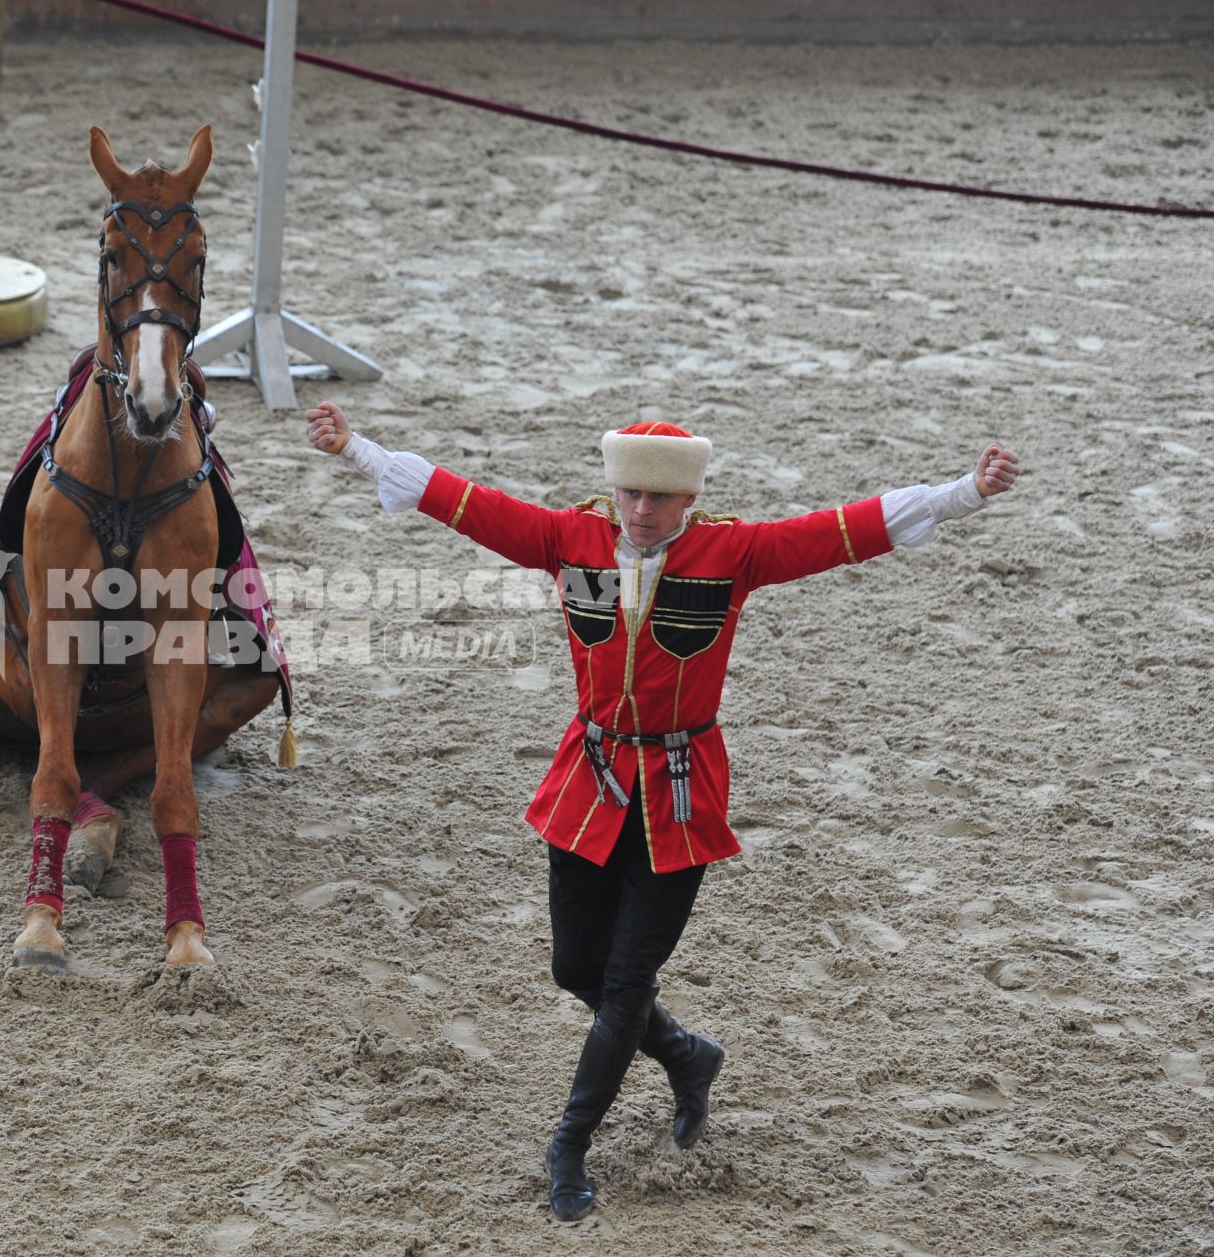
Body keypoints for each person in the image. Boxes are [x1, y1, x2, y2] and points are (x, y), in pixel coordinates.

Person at [303, 404, 1020, 1221]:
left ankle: (568, 1144)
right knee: (574, 968)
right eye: (628, 494)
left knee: (624, 980)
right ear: (612, 490)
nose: (639, 511)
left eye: (657, 498)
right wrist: (354, 447)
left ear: (688, 503)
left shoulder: (735, 551)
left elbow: (846, 530)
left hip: (679, 797)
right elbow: (461, 499)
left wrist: (970, 489)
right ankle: (686, 1055)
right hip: (589, 782)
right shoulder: (567, 539)